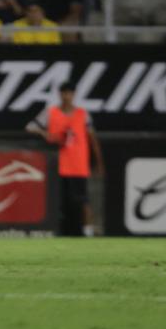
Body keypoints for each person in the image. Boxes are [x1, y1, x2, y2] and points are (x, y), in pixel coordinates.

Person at [27, 82, 103, 236]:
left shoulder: (82, 114)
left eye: (69, 93)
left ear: (74, 94)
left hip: (78, 164)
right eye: (64, 93)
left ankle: (87, 231)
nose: (66, 96)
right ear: (59, 94)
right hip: (57, 164)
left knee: (82, 200)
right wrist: (44, 133)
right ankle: (55, 230)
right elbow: (30, 127)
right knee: (57, 200)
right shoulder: (51, 112)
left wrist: (98, 162)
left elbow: (92, 138)